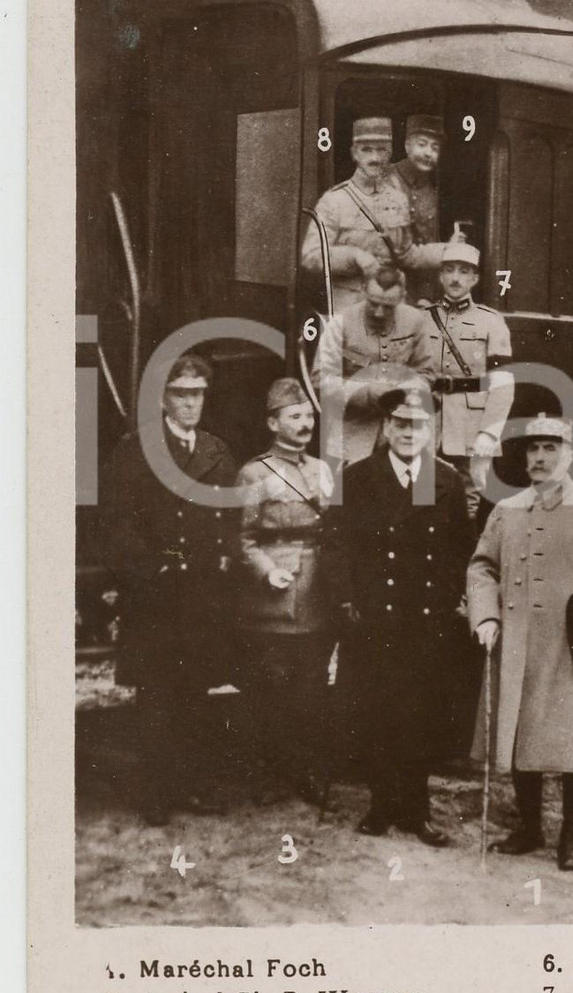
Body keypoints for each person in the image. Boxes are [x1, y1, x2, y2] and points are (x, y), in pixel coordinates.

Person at [466, 415, 573, 871]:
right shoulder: (506, 509)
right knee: (523, 739)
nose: (540, 458)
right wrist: (484, 614)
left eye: (551, 448)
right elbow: (481, 567)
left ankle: (571, 836)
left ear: (570, 455)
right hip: (518, 648)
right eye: (533, 449)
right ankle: (528, 828)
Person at [327, 387, 473, 845]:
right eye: (401, 424)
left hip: (425, 619)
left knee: (421, 715)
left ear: (430, 430)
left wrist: (454, 599)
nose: (409, 433)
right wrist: (346, 598)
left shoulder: (444, 479)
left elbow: (461, 551)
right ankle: (381, 804)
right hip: (374, 617)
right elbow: (335, 544)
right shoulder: (358, 478)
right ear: (386, 428)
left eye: (418, 425)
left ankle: (417, 810)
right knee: (377, 710)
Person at [100, 354, 236, 825]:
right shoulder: (135, 450)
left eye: (198, 392)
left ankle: (188, 786)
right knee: (157, 694)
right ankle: (155, 791)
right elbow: (119, 526)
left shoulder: (217, 451)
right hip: (155, 595)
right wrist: (151, 571)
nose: (191, 402)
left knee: (196, 691)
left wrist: (220, 568)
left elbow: (228, 520)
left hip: (201, 595)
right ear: (162, 398)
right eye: (181, 392)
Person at [235, 378, 336, 805]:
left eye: (309, 415)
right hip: (274, 595)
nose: (305, 423)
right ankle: (265, 769)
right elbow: (243, 538)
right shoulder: (254, 472)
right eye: (294, 416)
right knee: (269, 686)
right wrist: (265, 572)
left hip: (318, 589)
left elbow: (334, 529)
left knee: (311, 687)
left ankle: (303, 768)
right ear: (273, 422)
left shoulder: (322, 470)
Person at [299, 117, 444, 313]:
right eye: (366, 150)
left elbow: (406, 254)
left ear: (390, 153)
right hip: (351, 307)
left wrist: (448, 252)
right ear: (354, 153)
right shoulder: (334, 201)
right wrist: (354, 256)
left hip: (391, 305)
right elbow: (311, 257)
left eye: (381, 150)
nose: (374, 158)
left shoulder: (398, 199)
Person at [419, 224, 514, 519]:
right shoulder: (421, 319)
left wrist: (490, 431)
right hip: (429, 420)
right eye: (449, 270)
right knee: (424, 497)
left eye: (464, 271)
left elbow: (502, 382)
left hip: (471, 423)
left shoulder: (491, 322)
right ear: (440, 276)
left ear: (475, 278)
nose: (455, 278)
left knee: (468, 503)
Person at [310, 263, 436, 465]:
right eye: (373, 303)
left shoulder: (416, 321)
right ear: (362, 290)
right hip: (351, 434)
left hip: (404, 431)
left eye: (388, 307)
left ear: (402, 296)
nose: (379, 313)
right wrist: (367, 392)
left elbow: (427, 373)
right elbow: (320, 380)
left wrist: (405, 391)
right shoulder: (340, 323)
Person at [388, 113, 444, 302]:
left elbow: (427, 242)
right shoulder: (385, 179)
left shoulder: (432, 191)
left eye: (435, 148)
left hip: (412, 294)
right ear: (407, 146)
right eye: (422, 144)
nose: (428, 153)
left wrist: (425, 297)